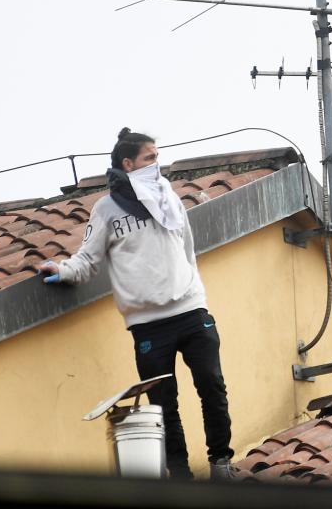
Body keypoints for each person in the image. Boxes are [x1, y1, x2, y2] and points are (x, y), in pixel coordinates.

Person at [39, 128, 236, 480]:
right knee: (163, 405)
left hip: (191, 311)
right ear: (128, 164)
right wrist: (62, 270)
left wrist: (196, 293)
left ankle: (221, 462)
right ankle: (181, 477)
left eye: (157, 157)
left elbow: (187, 251)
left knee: (212, 385)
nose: (157, 164)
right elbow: (88, 259)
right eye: (150, 158)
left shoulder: (168, 197)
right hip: (148, 327)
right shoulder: (106, 209)